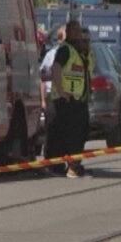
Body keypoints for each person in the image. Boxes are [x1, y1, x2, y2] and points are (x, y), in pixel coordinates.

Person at [48, 21, 94, 178]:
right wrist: (62, 91)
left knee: (80, 133)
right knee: (68, 134)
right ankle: (69, 167)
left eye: (79, 31)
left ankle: (70, 165)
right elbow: (55, 69)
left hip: (79, 100)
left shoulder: (81, 51)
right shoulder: (65, 50)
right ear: (68, 33)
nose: (78, 33)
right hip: (66, 100)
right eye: (74, 31)